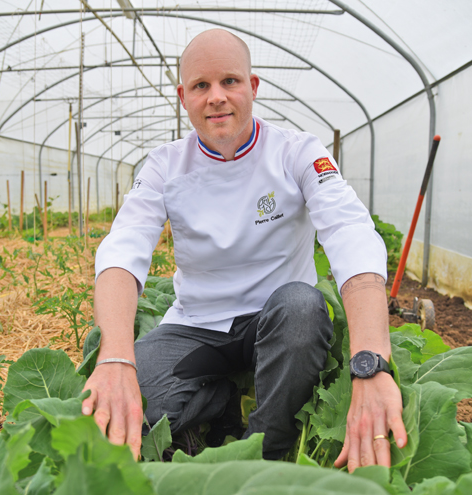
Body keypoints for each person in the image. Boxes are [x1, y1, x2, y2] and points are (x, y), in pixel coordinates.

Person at [81, 28, 406, 470]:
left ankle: (264, 452)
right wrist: (117, 357)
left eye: (229, 81)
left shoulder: (297, 152)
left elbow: (350, 232)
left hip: (279, 322)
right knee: (128, 409)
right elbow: (123, 248)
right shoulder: (165, 166)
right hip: (197, 325)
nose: (216, 97)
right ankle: (221, 400)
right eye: (201, 86)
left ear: (252, 88)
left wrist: (370, 363)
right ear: (184, 96)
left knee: (302, 305)